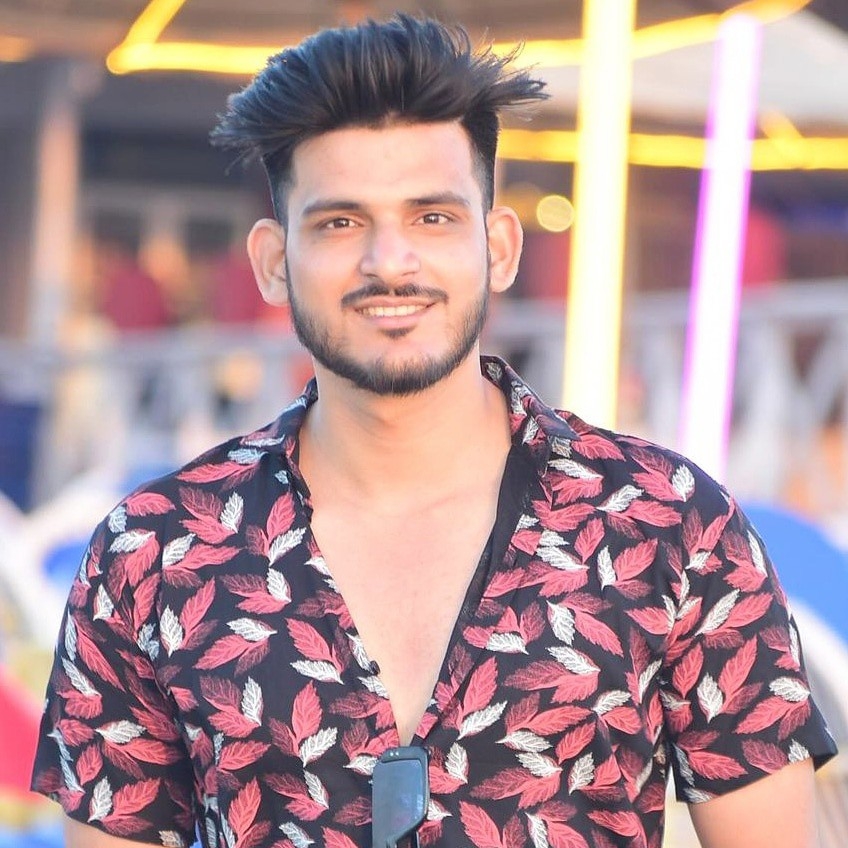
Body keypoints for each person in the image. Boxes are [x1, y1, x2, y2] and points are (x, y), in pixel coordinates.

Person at [31, 14, 836, 848]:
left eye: (432, 218)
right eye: (340, 222)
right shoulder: (155, 552)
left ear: (499, 247)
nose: (390, 262)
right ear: (273, 261)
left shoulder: (668, 523)